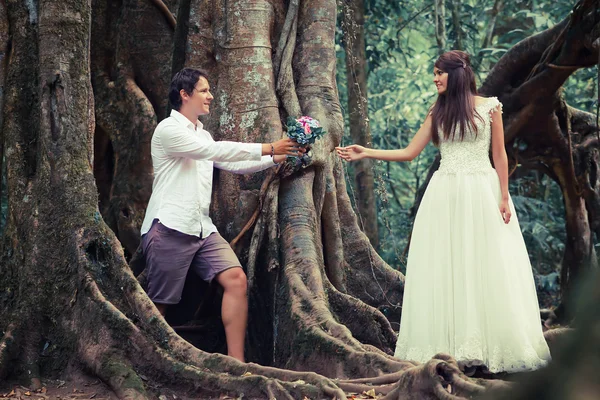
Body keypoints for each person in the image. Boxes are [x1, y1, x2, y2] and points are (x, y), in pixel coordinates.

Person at [336, 50, 551, 373]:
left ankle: (490, 345)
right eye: (434, 73)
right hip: (445, 194)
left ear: (457, 73)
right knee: (448, 265)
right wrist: (366, 151)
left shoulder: (490, 107)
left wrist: (504, 196)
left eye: (439, 72)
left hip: (482, 191)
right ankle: (449, 346)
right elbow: (410, 152)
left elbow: (500, 155)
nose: (435, 78)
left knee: (487, 264)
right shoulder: (438, 111)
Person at [140, 68, 303, 362]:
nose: (210, 96)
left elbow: (232, 163)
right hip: (171, 226)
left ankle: (236, 363)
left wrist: (280, 154)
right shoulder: (168, 130)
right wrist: (268, 146)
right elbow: (215, 151)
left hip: (202, 229)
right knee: (160, 305)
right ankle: (152, 364)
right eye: (203, 90)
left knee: (236, 279)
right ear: (184, 95)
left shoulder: (203, 134)